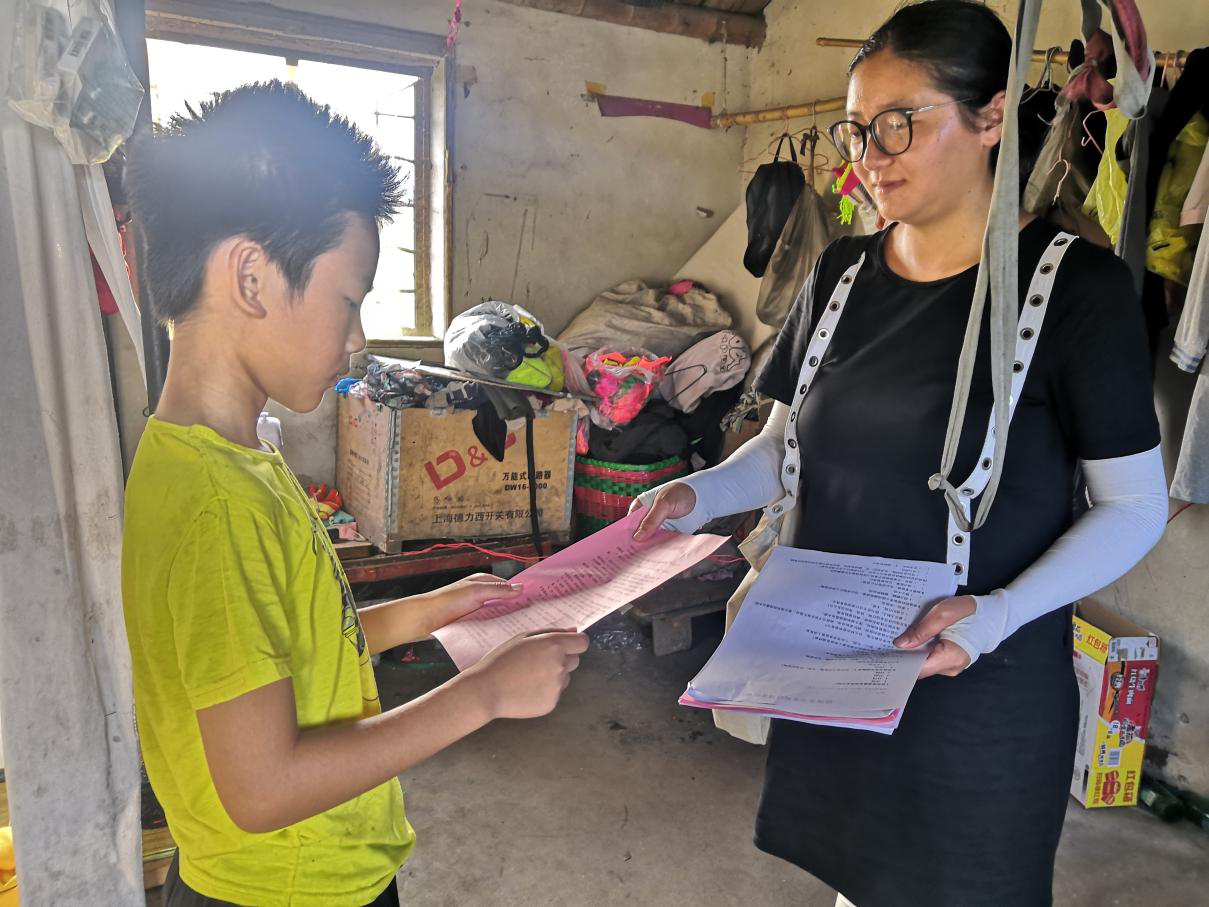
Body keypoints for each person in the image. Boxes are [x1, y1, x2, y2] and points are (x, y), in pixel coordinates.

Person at [633, 2, 1167, 905]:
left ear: (990, 117)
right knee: (854, 883)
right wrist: (697, 494)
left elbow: (1134, 506)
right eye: (855, 130)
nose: (867, 157)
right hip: (833, 660)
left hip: (978, 689)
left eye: (897, 124)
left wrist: (990, 617)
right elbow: (783, 451)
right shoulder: (839, 276)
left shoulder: (1076, 291)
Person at [121, 81, 588, 907]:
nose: (358, 339)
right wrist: (482, 693)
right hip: (282, 891)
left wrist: (424, 612)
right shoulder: (216, 505)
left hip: (309, 873)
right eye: (348, 300)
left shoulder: (231, 458)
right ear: (251, 277)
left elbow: (289, 650)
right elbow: (261, 789)